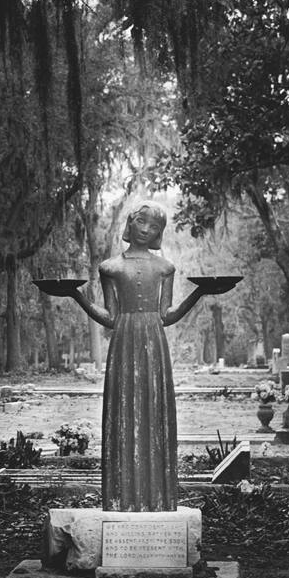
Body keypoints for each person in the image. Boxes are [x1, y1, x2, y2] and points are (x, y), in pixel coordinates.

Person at [69, 201, 210, 511]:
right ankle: (121, 497)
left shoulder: (164, 268)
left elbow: (166, 315)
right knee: (123, 408)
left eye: (155, 227)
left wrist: (198, 293)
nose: (147, 229)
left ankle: (158, 496)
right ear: (130, 223)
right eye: (142, 222)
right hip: (123, 340)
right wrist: (77, 296)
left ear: (159, 233)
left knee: (154, 406)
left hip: (154, 342)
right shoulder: (110, 267)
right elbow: (110, 316)